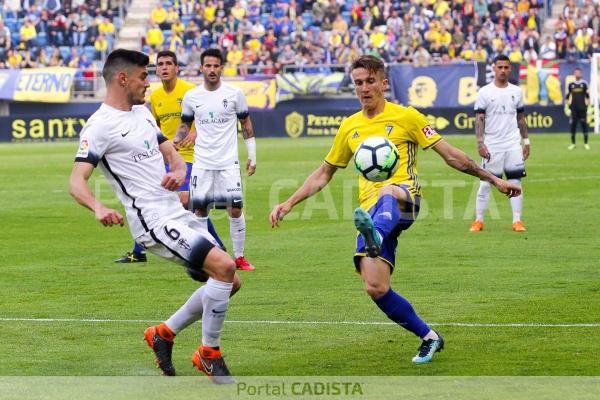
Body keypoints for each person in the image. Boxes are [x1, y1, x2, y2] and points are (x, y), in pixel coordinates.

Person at [269, 55, 522, 364]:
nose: (364, 88)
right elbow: (324, 173)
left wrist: (494, 179)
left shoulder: (408, 117)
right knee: (376, 287)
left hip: (404, 199)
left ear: (383, 83)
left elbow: (451, 155)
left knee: (388, 189)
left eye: (370, 81)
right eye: (358, 83)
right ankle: (429, 337)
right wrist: (289, 202)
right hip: (372, 212)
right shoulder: (350, 127)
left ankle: (374, 231)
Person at [69, 49, 239, 384]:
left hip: (175, 211)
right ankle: (209, 354)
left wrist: (177, 170)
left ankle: (164, 333)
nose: (148, 82)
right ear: (122, 79)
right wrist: (99, 207)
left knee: (230, 282)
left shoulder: (143, 114)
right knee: (224, 267)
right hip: (152, 222)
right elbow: (76, 181)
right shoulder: (100, 126)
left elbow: (172, 156)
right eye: (143, 76)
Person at [114, 50, 227, 263]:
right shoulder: (155, 96)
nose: (164, 67)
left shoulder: (190, 92)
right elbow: (152, 128)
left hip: (191, 156)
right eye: (160, 64)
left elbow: (211, 119)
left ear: (177, 68)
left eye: (169, 63)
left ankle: (217, 246)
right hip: (164, 158)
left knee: (185, 200)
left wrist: (194, 133)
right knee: (151, 201)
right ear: (156, 69)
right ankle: (139, 252)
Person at [178, 48, 257, 271]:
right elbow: (184, 125)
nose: (212, 70)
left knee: (235, 209)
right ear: (201, 68)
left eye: (216, 66)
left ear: (221, 67)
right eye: (208, 66)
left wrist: (252, 156)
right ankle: (207, 256)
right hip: (202, 162)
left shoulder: (235, 94)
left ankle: (239, 257)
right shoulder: (192, 96)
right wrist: (176, 140)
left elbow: (246, 125)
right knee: (200, 210)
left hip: (228, 162)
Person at [470, 54, 530, 233]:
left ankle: (517, 221)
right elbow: (479, 119)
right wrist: (480, 143)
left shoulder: (516, 92)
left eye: (506, 67)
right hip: (492, 145)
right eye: (500, 67)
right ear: (494, 68)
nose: (503, 70)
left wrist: (526, 141)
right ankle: (479, 220)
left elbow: (521, 118)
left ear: (510, 69)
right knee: (485, 183)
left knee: (515, 181)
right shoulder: (485, 92)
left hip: (512, 144)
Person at [566, 67, 590, 150]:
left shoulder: (584, 84)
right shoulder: (571, 85)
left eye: (579, 73)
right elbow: (568, 96)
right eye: (576, 72)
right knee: (573, 126)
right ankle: (573, 144)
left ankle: (586, 143)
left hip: (582, 108)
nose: (577, 74)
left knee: (584, 125)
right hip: (574, 109)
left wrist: (589, 107)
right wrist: (568, 107)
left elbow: (587, 97)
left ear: (581, 74)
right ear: (574, 74)